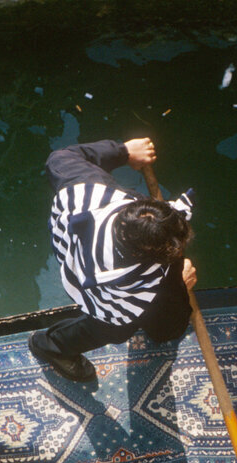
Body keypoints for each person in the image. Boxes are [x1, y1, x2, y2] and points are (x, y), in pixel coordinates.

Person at [29, 138, 198, 381]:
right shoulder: (148, 281)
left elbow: (60, 158)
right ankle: (49, 345)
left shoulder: (88, 188)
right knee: (133, 328)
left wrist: (124, 152)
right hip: (105, 286)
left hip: (74, 253)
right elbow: (166, 318)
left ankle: (52, 342)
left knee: (123, 319)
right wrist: (179, 283)